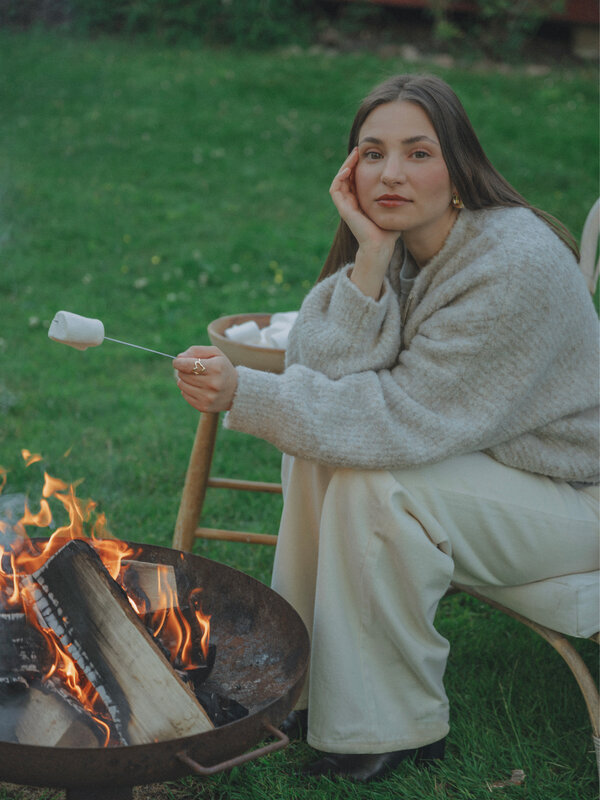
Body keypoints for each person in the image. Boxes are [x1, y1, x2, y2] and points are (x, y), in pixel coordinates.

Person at [173, 74, 599, 783]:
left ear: (459, 166)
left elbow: (398, 416)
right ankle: (300, 688)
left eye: (418, 152)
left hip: (577, 497)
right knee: (321, 451)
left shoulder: (511, 267)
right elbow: (328, 375)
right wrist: (367, 255)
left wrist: (244, 394)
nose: (391, 174)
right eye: (372, 154)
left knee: (379, 481)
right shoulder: (405, 243)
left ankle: (391, 724)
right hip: (499, 467)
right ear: (350, 169)